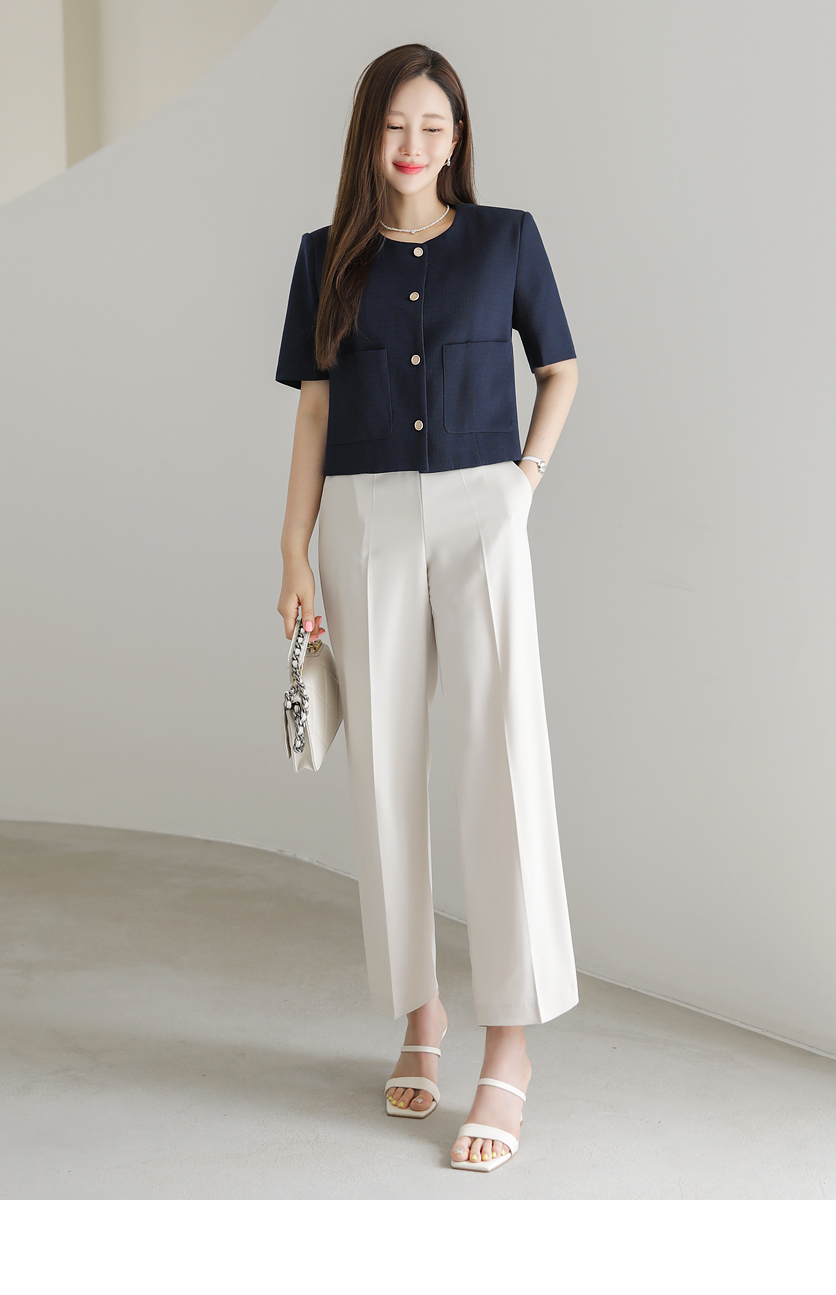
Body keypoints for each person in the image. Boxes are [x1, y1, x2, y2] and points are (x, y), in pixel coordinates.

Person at [275, 44, 580, 1173]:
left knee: (504, 762)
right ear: (368, 137)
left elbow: (560, 369)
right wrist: (293, 549)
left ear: (457, 139)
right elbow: (314, 412)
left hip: (480, 510)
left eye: (433, 128)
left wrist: (523, 481)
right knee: (385, 775)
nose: (413, 147)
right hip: (363, 521)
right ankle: (420, 1013)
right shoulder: (325, 259)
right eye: (395, 127)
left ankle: (509, 1047)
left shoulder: (507, 240)